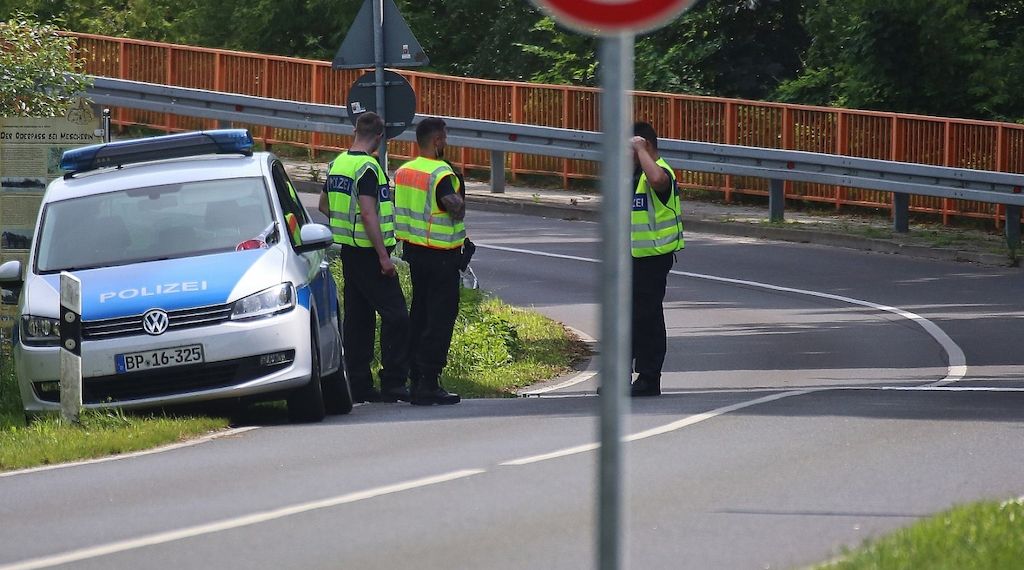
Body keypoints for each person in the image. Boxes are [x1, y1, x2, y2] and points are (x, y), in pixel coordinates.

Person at [318, 111, 410, 403]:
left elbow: (324, 205)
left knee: (359, 320)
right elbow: (369, 213)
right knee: (397, 317)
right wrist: (384, 256)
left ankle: (358, 383)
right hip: (370, 254)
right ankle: (393, 382)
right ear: (380, 138)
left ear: (355, 130)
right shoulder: (368, 168)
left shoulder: (338, 164)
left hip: (348, 252)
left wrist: (347, 224)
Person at [393, 117, 466, 405]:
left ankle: (414, 378)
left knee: (419, 314)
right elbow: (456, 210)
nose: (446, 143)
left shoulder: (405, 170)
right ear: (436, 141)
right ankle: (429, 381)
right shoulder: (441, 173)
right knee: (440, 319)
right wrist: (459, 189)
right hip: (441, 255)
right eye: (444, 138)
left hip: (414, 252)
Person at [629, 121, 684, 397]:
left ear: (646, 145)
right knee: (625, 317)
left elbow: (658, 181)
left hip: (652, 258)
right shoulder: (635, 176)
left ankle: (649, 378)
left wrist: (640, 150)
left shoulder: (660, 173)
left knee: (647, 318)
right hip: (631, 258)